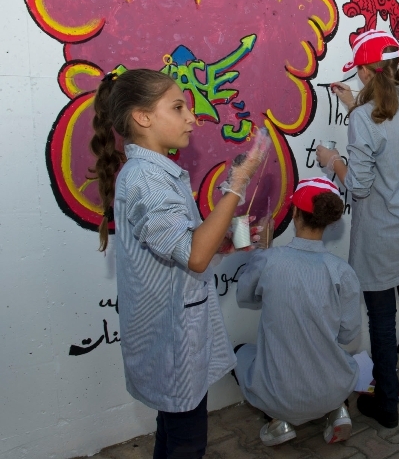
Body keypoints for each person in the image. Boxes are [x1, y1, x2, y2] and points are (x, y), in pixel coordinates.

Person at [89, 68, 269, 458]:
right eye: (178, 107)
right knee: (187, 442)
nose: (192, 117)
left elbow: (186, 245)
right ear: (143, 117)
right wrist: (238, 182)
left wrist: (221, 242)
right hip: (171, 341)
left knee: (171, 428)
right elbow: (194, 256)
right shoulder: (148, 180)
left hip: (169, 335)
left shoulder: (154, 173)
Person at [315, 30, 399, 428]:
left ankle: (387, 403)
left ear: (368, 73)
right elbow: (384, 130)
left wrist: (333, 160)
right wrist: (354, 108)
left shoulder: (364, 120)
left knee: (382, 320)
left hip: (381, 234)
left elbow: (360, 185)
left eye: (360, 72)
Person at [234, 177, 362, 445]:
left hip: (280, 396)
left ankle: (277, 421)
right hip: (333, 388)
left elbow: (244, 296)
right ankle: (337, 410)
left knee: (240, 354)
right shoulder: (343, 272)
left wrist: (260, 254)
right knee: (338, 358)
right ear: (329, 222)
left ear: (294, 214)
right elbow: (348, 334)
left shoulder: (269, 261)